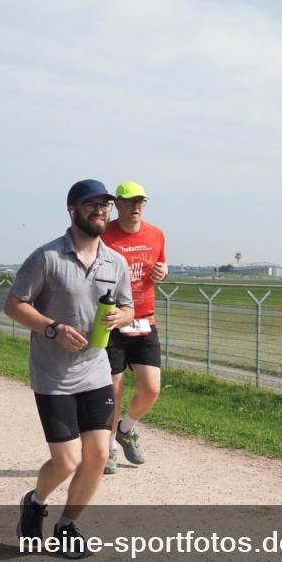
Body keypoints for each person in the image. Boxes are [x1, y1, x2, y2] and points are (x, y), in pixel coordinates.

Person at [5, 180, 133, 556]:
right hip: (53, 375)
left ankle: (66, 526)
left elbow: (128, 308)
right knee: (67, 460)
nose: (100, 211)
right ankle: (36, 501)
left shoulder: (116, 262)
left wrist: (117, 318)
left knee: (97, 455)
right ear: (72, 210)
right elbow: (14, 305)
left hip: (95, 370)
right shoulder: (46, 257)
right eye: (90, 204)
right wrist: (52, 328)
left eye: (104, 205)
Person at [100, 181, 168, 474]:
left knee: (151, 388)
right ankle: (109, 447)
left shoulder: (156, 234)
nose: (136, 206)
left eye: (141, 201)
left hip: (144, 318)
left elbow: (161, 267)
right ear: (117, 204)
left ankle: (126, 429)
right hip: (113, 321)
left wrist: (163, 272)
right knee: (115, 386)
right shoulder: (104, 235)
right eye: (130, 201)